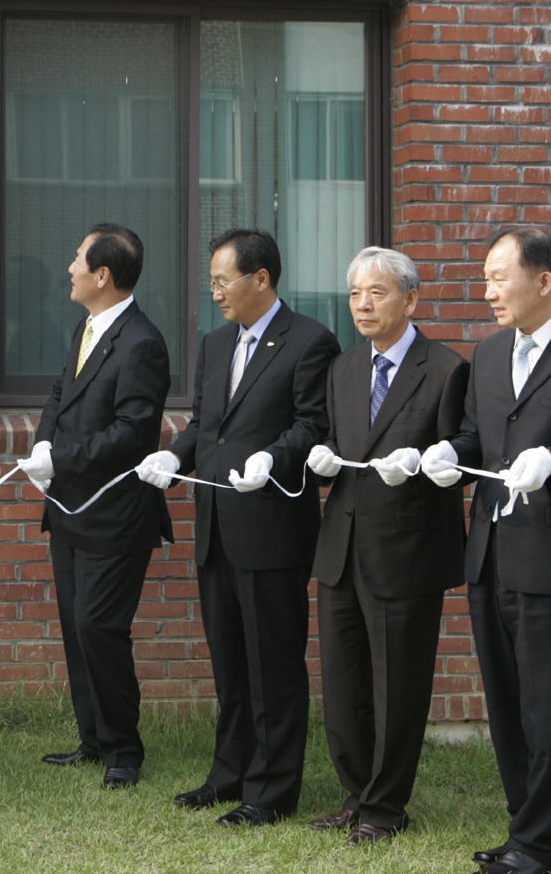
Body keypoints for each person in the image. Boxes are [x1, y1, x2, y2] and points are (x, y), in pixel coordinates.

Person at [420, 227, 551, 874]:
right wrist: (450, 454)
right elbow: (478, 437)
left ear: (544, 280)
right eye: (485, 278)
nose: (487, 291)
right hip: (492, 555)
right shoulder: (489, 352)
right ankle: (527, 832)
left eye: (497, 277)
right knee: (507, 705)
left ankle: (540, 847)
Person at [136, 228, 339, 826]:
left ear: (261, 278)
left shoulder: (310, 341)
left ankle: (271, 792)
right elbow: (207, 424)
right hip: (217, 527)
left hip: (272, 529)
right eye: (213, 282)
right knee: (229, 664)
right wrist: (175, 457)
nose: (215, 292)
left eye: (224, 281)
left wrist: (273, 457)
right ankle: (229, 774)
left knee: (273, 666)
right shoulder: (216, 342)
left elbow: (312, 425)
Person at [302, 247, 468, 844]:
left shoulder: (446, 369)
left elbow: (461, 458)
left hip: (406, 553)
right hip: (341, 548)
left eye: (377, 292)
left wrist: (425, 465)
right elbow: (334, 441)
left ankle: (386, 807)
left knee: (397, 687)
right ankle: (356, 795)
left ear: (411, 299)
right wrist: (320, 457)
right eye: (354, 294)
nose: (363, 304)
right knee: (344, 685)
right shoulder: (343, 367)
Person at [17, 224, 171, 791]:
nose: (70, 268)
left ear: (103, 275)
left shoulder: (142, 342)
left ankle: (124, 752)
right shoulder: (87, 328)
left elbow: (132, 433)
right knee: (75, 626)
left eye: (78, 259)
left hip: (115, 514)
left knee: (99, 625)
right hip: (70, 508)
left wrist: (61, 459)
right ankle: (94, 740)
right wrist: (43, 443)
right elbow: (60, 395)